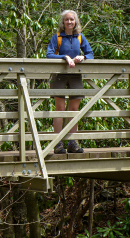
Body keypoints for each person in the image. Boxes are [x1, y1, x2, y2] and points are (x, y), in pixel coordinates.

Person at [46, 10, 94, 154]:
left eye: (72, 20)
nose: (69, 22)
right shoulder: (57, 37)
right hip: (59, 74)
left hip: (75, 75)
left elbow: (90, 54)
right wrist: (64, 57)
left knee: (74, 110)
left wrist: (83, 58)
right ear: (63, 22)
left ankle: (73, 143)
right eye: (66, 20)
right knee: (59, 109)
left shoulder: (80, 37)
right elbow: (49, 54)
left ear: (75, 22)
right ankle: (57, 143)